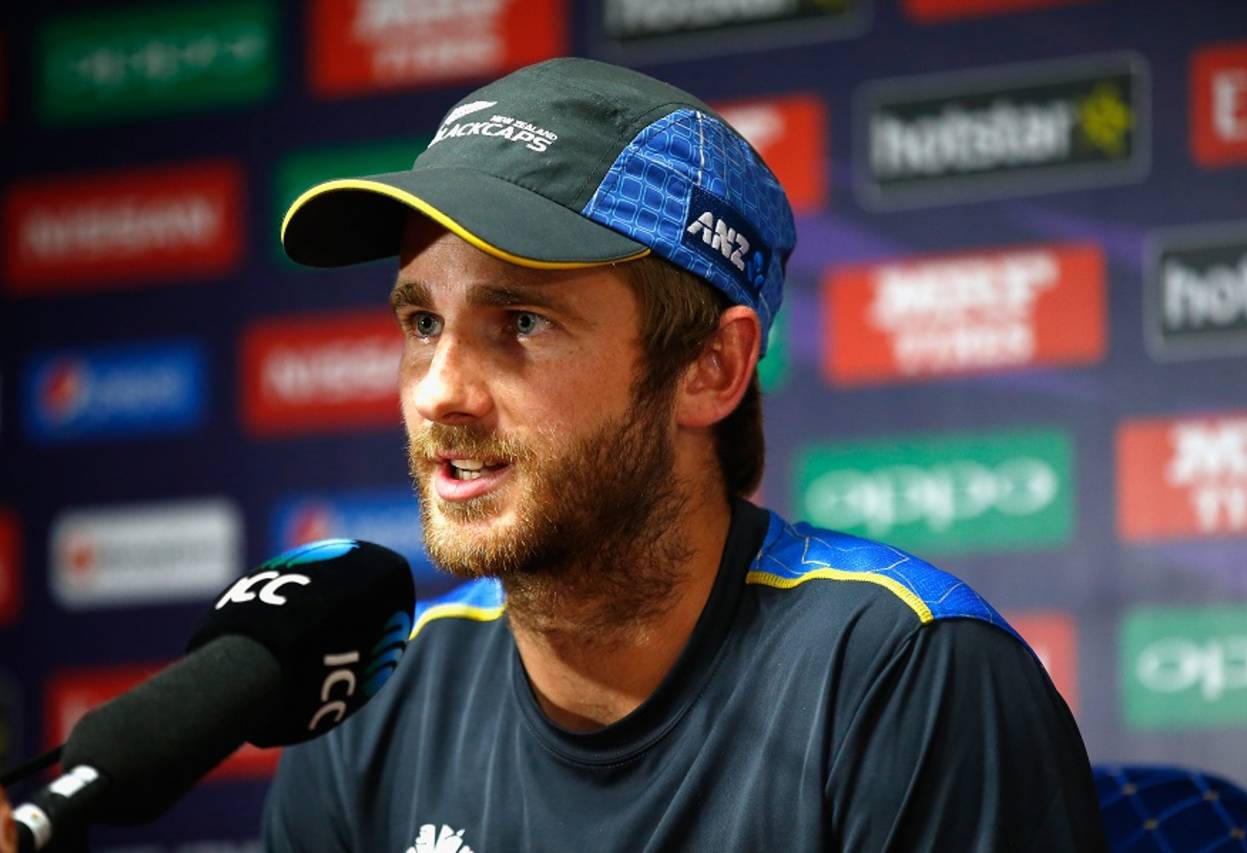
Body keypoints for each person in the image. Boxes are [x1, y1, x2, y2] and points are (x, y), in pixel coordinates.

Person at [261, 57, 1105, 851]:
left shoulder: (905, 681)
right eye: (422, 324)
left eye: (522, 322)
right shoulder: (374, 704)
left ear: (711, 367)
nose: (439, 391)